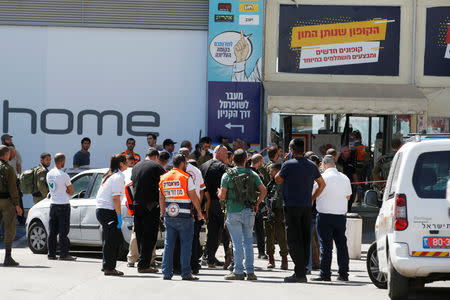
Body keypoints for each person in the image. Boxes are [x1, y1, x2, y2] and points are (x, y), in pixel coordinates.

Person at [275, 138, 326, 283]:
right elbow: (322, 184)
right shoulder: (311, 165)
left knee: (293, 238)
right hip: (306, 206)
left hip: (292, 206)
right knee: (305, 238)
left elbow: (278, 179)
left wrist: (285, 162)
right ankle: (302, 270)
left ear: (291, 150)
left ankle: (299, 272)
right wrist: (312, 198)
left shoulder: (288, 164)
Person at [218, 149, 266, 281]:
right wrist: (257, 203)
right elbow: (263, 190)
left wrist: (218, 193)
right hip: (249, 211)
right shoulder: (252, 174)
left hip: (233, 211)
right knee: (248, 242)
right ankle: (250, 272)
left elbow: (222, 197)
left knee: (237, 243)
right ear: (246, 160)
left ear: (233, 159)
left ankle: (238, 271)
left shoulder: (227, 175)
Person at [159, 154, 204, 280]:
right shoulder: (185, 177)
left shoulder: (164, 177)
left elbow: (161, 197)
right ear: (183, 163)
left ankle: (166, 273)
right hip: (184, 215)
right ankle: (185, 273)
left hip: (169, 214)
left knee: (169, 245)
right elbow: (193, 196)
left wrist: (162, 213)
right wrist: (199, 212)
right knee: (186, 245)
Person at [312, 155, 352, 282]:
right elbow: (348, 197)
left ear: (323, 164)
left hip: (324, 216)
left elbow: (314, 194)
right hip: (340, 216)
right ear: (334, 164)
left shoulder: (321, 177)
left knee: (326, 246)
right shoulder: (345, 178)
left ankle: (325, 274)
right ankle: (343, 274)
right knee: (341, 245)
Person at [131, 148, 166, 273]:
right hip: (150, 206)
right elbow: (164, 185)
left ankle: (142, 261)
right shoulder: (157, 166)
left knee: (140, 235)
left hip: (136, 204)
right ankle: (144, 265)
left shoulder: (136, 166)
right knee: (149, 236)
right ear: (156, 157)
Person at [174, 148, 205, 274]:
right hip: (194, 206)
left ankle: (177, 266)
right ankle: (194, 265)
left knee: (177, 238)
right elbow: (202, 190)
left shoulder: (178, 171)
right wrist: (198, 206)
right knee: (193, 238)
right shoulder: (197, 171)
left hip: (180, 205)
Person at [96, 154, 127, 276]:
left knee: (109, 239)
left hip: (103, 210)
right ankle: (109, 267)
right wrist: (119, 216)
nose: (128, 163)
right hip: (108, 211)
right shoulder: (118, 176)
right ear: (121, 163)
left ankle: (106, 265)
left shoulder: (109, 174)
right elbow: (115, 198)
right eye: (126, 161)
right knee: (111, 241)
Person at [200, 145, 229, 268]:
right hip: (219, 202)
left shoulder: (203, 166)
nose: (227, 156)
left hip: (207, 203)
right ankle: (229, 258)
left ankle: (210, 258)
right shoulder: (222, 167)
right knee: (226, 231)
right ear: (219, 153)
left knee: (212, 231)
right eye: (226, 154)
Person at [46, 153, 76, 261]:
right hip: (63, 205)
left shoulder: (49, 174)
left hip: (53, 204)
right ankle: (63, 254)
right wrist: (65, 189)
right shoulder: (64, 175)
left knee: (52, 231)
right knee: (63, 231)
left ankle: (51, 254)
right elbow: (71, 191)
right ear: (62, 161)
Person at [0, 145, 22, 266]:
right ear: (6, 154)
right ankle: (8, 258)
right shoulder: (8, 168)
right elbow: (13, 189)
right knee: (9, 228)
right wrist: (17, 205)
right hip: (7, 201)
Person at [264, 163, 288, 270]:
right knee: (269, 237)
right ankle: (271, 259)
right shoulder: (270, 183)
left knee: (281, 236)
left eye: (272, 170)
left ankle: (284, 260)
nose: (269, 172)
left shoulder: (284, 182)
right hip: (270, 212)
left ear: (278, 171)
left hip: (280, 212)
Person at [249, 154, 267, 259]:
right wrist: (258, 203)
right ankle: (261, 252)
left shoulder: (246, 171)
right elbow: (262, 190)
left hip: (245, 204)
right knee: (259, 229)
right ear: (259, 161)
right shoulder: (257, 175)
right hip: (256, 204)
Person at [337, 145, 358, 212]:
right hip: (339, 186)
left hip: (350, 185)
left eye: (348, 151)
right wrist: (337, 155)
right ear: (341, 152)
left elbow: (354, 173)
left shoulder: (351, 160)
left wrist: (357, 184)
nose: (348, 152)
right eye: (345, 151)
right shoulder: (338, 160)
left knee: (350, 202)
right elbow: (333, 164)